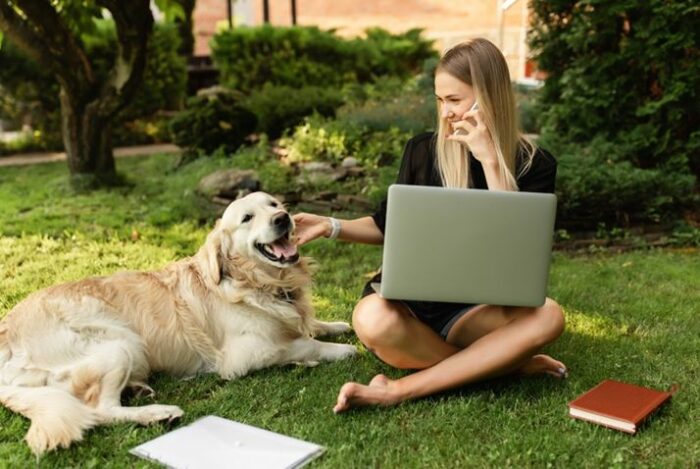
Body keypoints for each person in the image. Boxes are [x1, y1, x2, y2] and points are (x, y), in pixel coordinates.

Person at [292, 38, 566, 413]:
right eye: (440, 101)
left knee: (549, 316)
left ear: (490, 96)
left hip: (475, 308)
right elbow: (387, 225)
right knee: (372, 320)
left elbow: (513, 245)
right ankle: (505, 364)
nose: (446, 112)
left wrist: (489, 162)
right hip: (411, 303)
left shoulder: (535, 164)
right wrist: (331, 225)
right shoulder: (423, 150)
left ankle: (398, 390)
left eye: (454, 100)